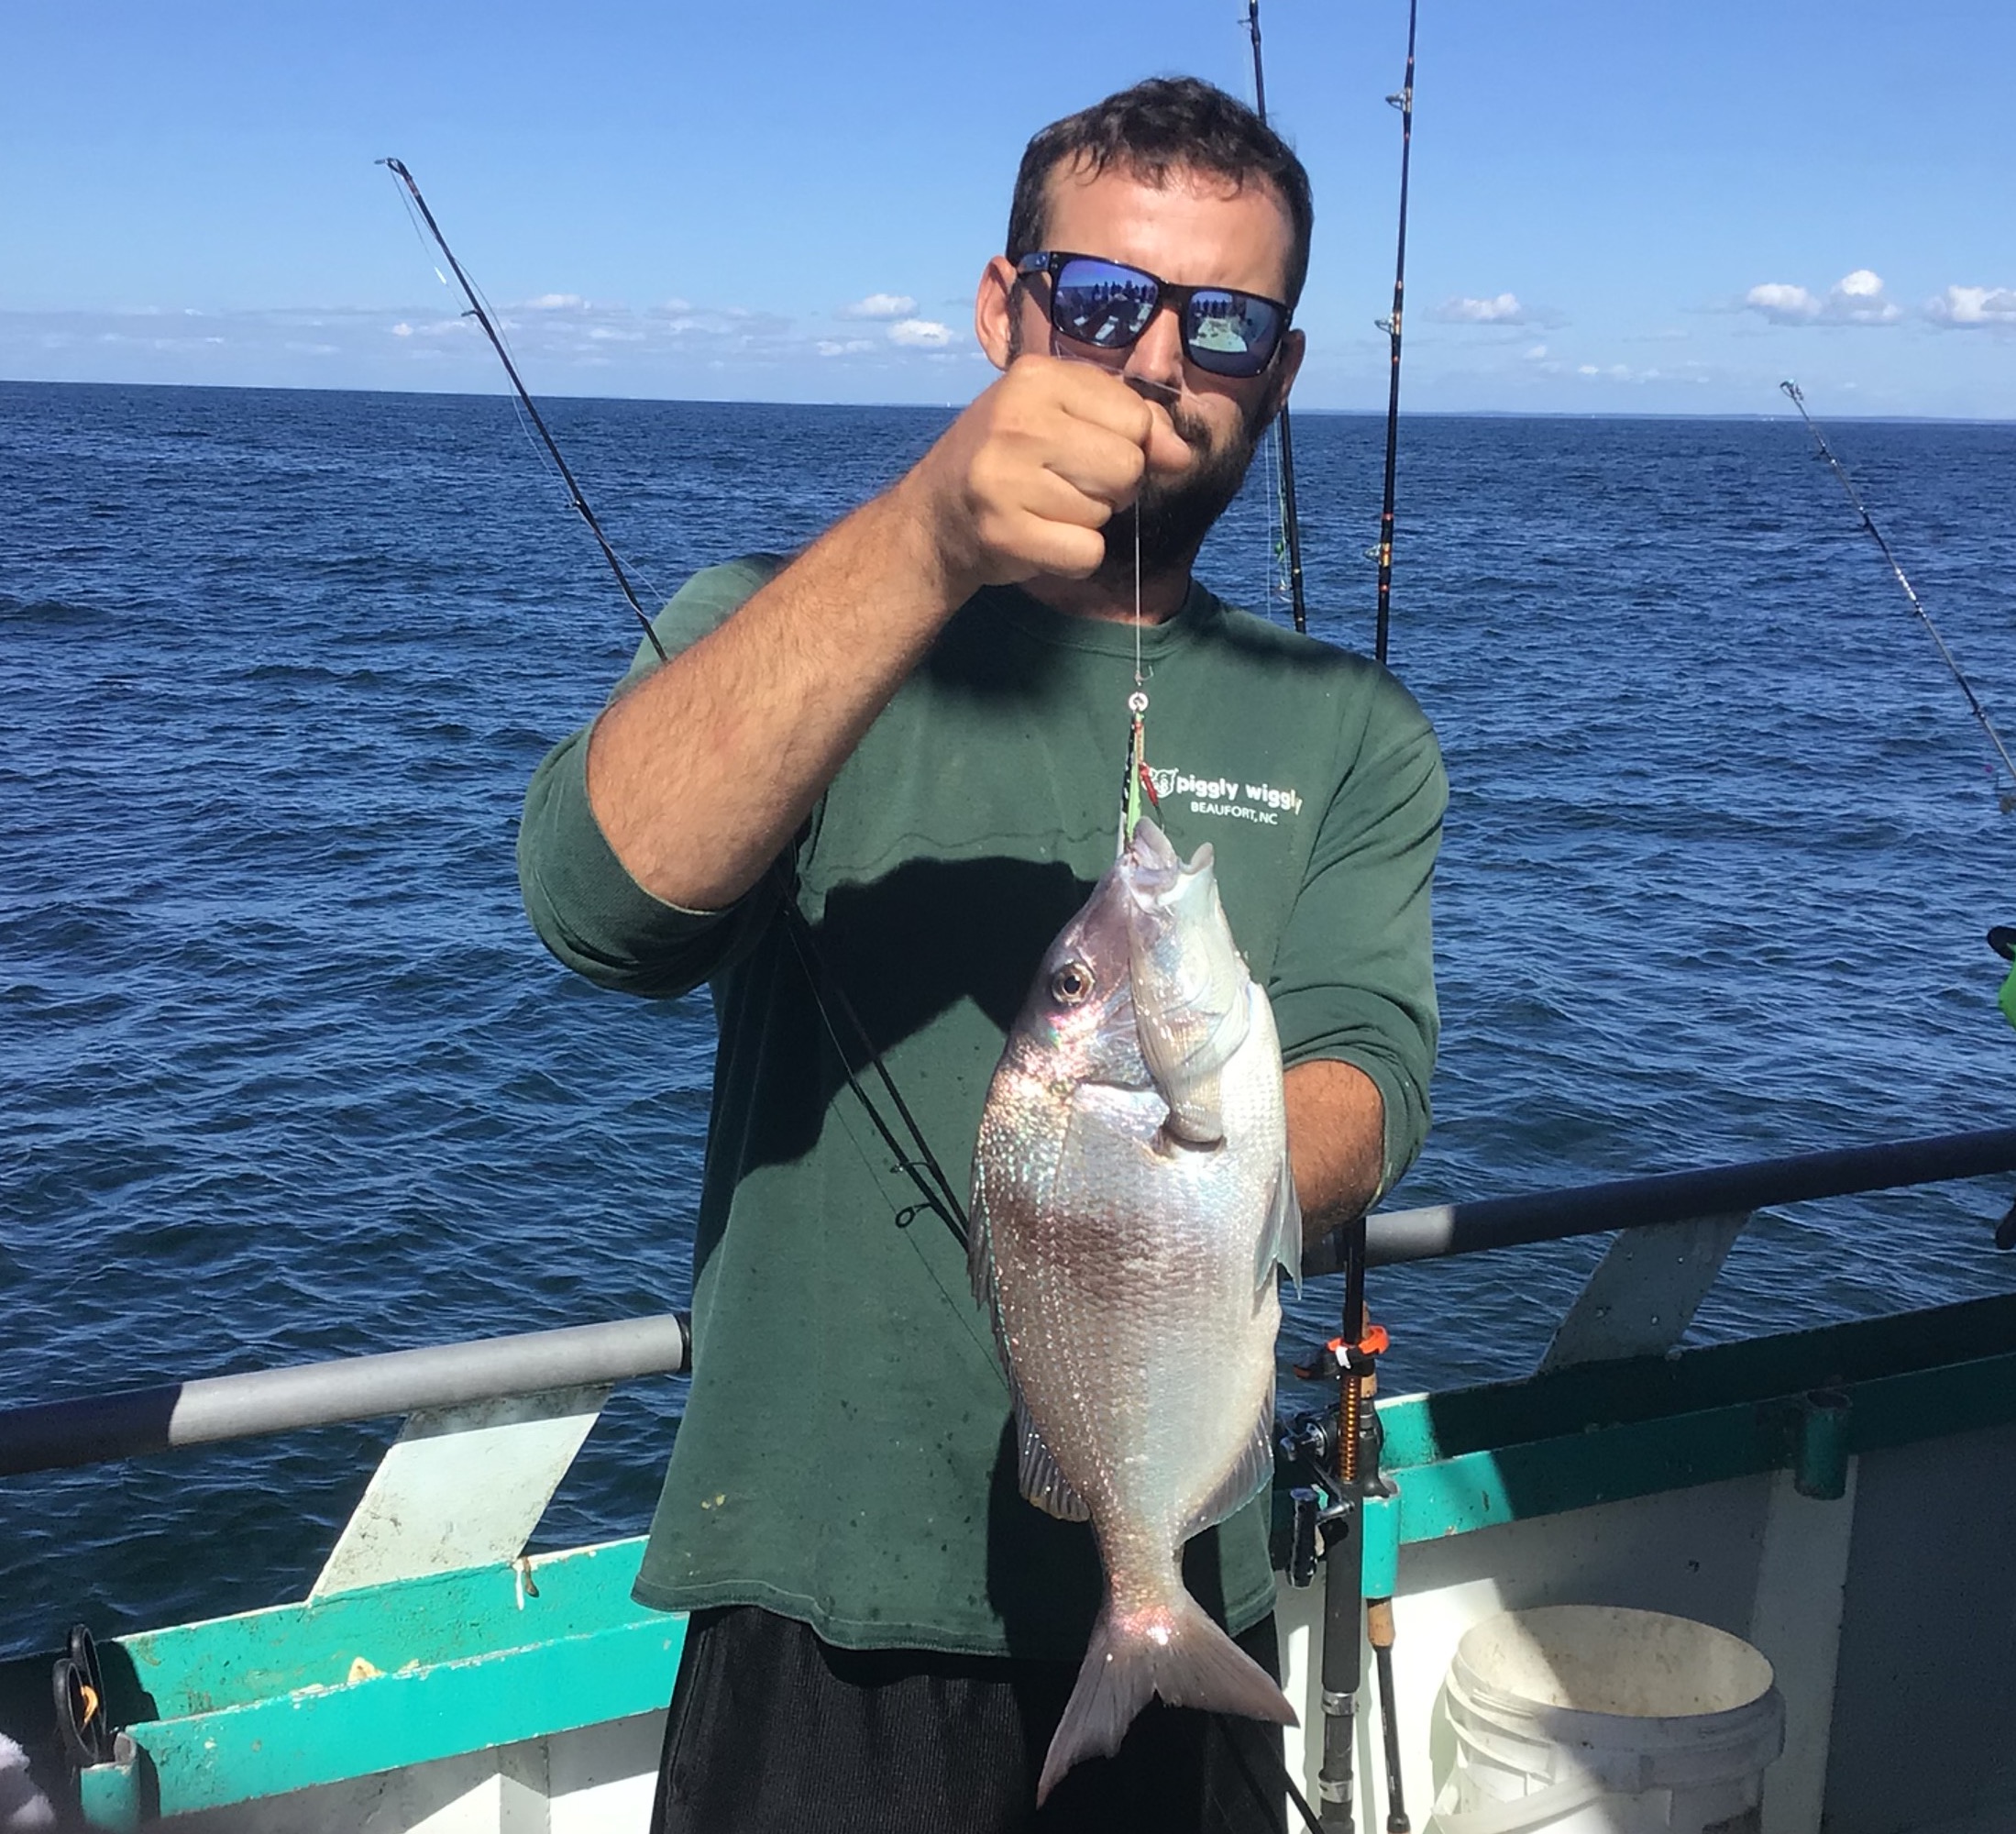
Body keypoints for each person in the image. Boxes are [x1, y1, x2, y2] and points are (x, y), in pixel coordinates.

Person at [518, 75, 1443, 1834]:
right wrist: (933, 533)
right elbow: (595, 905)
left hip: (1183, 1556)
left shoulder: (1353, 731)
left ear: (1284, 374)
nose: (1160, 359)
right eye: (1102, 302)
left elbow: (1368, 1080)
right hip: (820, 1592)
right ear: (1004, 310)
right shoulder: (779, 622)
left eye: (1225, 323)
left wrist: (1215, 1148)